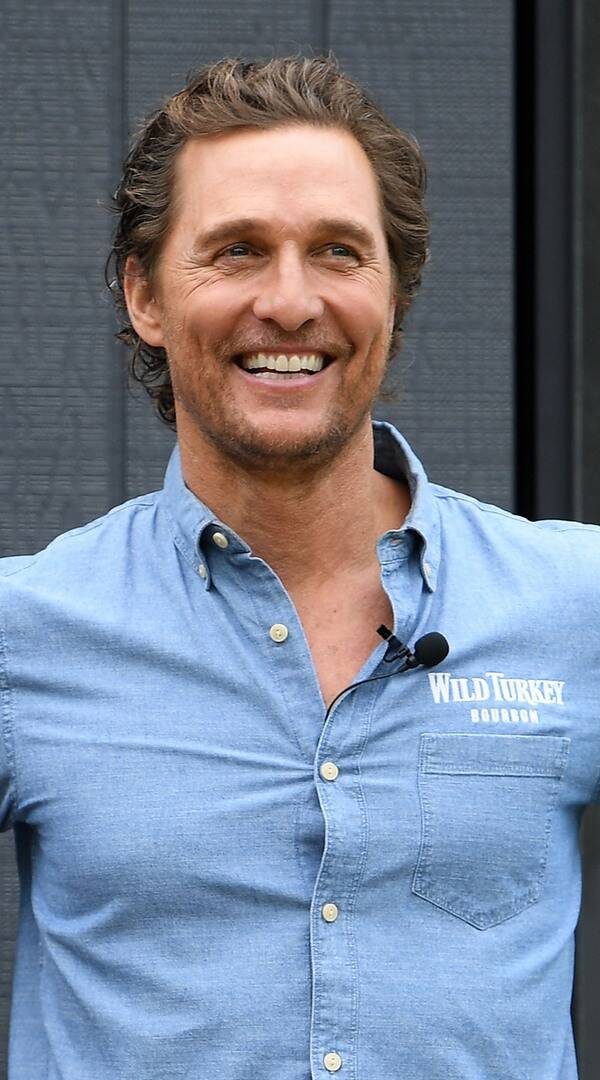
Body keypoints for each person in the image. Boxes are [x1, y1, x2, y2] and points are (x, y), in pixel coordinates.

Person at [0, 53, 599, 1080]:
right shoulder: (25, 634)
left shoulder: (575, 604)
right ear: (144, 294)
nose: (289, 301)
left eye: (337, 252)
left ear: (395, 292)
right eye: (236, 251)